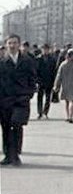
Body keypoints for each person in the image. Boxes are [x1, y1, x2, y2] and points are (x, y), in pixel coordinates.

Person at [0, 34, 37, 166]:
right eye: (9, 43)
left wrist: (29, 94)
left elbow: (33, 79)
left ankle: (15, 155)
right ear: (6, 45)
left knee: (16, 124)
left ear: (19, 44)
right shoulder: (2, 61)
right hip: (5, 100)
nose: (12, 45)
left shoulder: (27, 61)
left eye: (15, 43)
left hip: (21, 100)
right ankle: (7, 156)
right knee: (5, 127)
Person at [36, 43, 58, 119]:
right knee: (40, 97)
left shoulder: (52, 59)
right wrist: (37, 81)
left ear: (49, 50)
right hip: (40, 81)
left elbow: (55, 71)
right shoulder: (38, 59)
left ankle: (45, 112)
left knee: (48, 98)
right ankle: (39, 112)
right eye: (44, 49)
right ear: (41, 50)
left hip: (49, 81)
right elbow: (36, 71)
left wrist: (54, 82)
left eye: (47, 49)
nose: (45, 51)